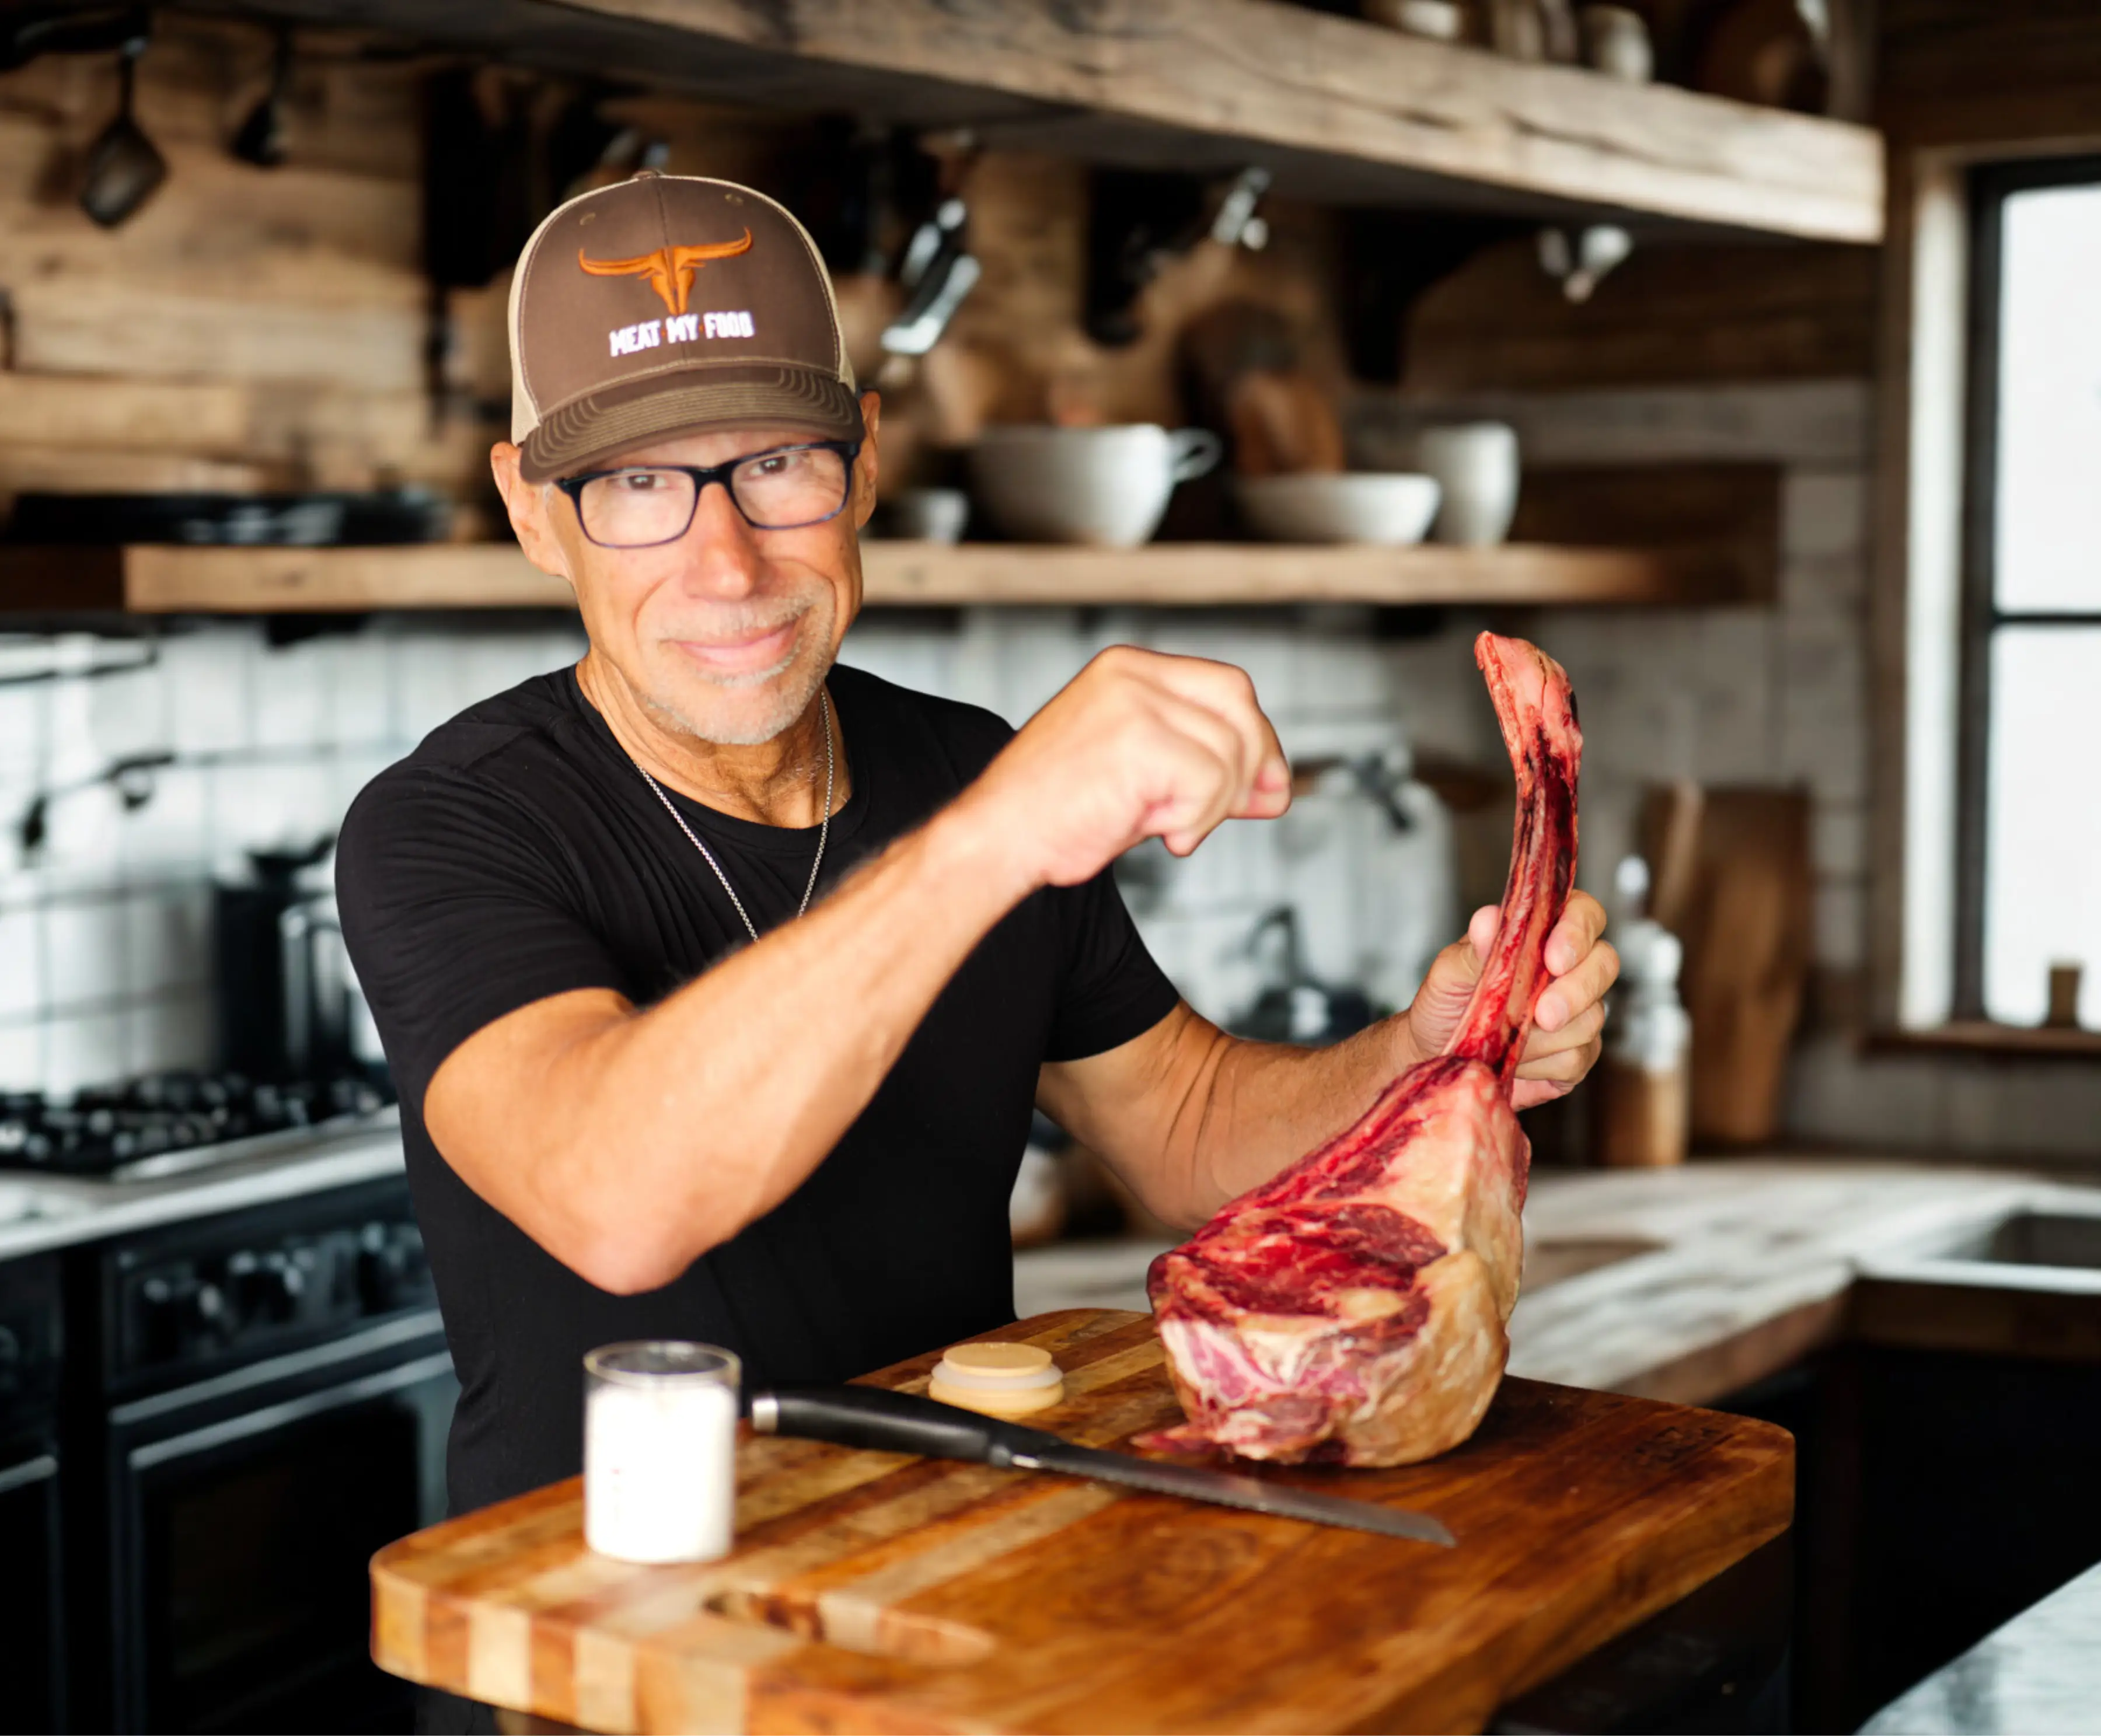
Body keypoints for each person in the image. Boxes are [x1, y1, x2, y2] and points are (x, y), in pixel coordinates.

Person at [337, 171, 1618, 1527]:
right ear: (535, 511)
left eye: (776, 465)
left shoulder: (960, 767)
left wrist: (1421, 1055)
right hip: (609, 1619)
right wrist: (995, 838)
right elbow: (621, 1203)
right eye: (639, 485)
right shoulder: (446, 825)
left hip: (948, 1563)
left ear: (866, 463)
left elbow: (1182, 1125)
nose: (725, 561)